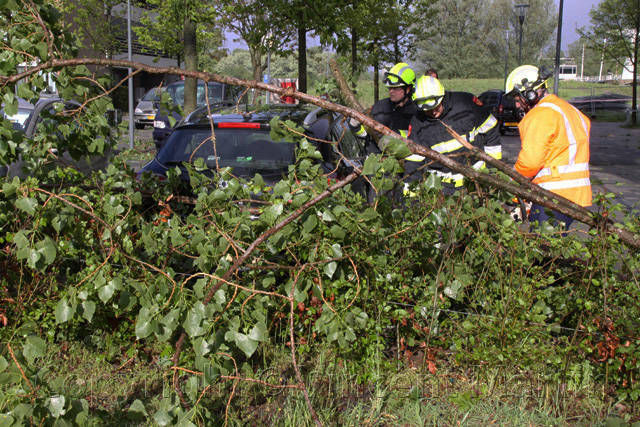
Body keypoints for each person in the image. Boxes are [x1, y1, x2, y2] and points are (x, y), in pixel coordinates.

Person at [505, 65, 591, 230]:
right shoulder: (570, 110)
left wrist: (510, 183)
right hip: (575, 195)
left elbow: (530, 162)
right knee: (554, 247)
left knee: (541, 249)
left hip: (552, 195)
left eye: (517, 99)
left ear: (529, 93)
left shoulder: (540, 114)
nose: (516, 105)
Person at [404, 75, 502, 191]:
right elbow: (413, 160)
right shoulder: (417, 122)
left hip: (476, 180)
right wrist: (410, 193)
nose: (433, 112)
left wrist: (492, 170)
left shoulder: (466, 103)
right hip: (442, 188)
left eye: (435, 106)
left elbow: (491, 129)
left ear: (442, 96)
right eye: (428, 111)